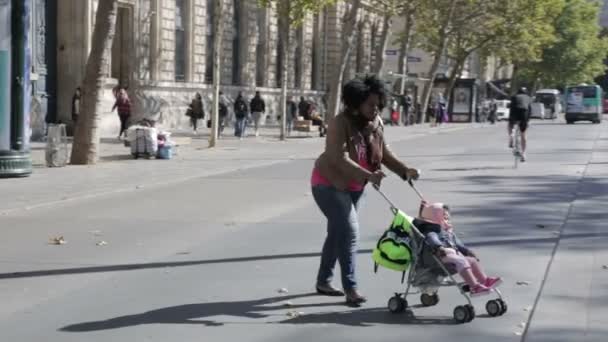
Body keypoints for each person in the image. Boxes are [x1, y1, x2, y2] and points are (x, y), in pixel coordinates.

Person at [310, 75, 420, 305]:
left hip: (355, 186)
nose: (376, 108)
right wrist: (368, 175)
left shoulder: (376, 122)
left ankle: (323, 281)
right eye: (371, 104)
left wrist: (404, 170)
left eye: (379, 103)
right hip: (329, 184)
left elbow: (384, 153)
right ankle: (351, 288)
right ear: (355, 103)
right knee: (349, 232)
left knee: (337, 232)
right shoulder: (339, 123)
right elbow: (337, 158)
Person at [419, 201, 502, 296]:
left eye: (448, 218)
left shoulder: (448, 233)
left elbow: (458, 244)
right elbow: (432, 240)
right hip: (439, 258)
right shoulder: (432, 231)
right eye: (445, 218)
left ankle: (485, 280)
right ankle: (474, 287)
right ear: (436, 218)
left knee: (472, 260)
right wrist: (439, 247)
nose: (448, 220)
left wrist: (467, 251)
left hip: (452, 256)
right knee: (461, 261)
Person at [508, 87, 532, 162]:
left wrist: (511, 120)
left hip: (515, 113)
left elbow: (511, 108)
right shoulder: (528, 98)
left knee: (510, 125)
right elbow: (530, 110)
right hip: (524, 114)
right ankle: (523, 154)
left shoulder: (514, 97)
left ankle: (511, 137)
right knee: (523, 134)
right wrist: (527, 121)